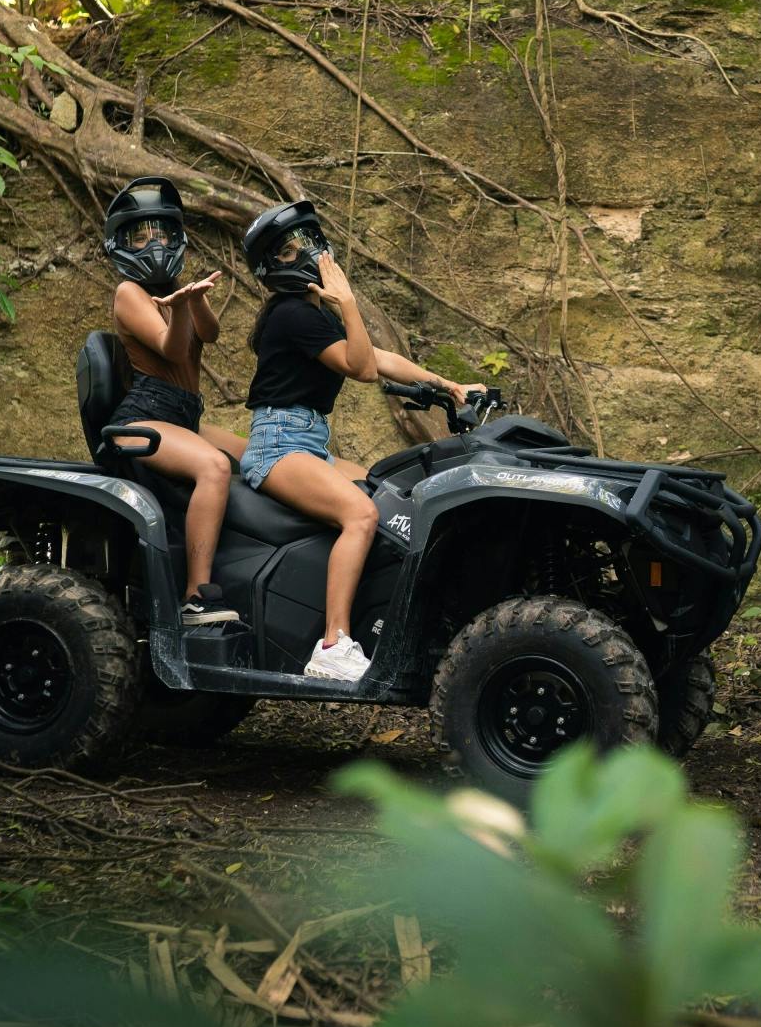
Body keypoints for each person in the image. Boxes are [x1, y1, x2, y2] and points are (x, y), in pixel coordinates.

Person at [238, 201, 483, 683]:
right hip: (278, 446)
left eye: (309, 241)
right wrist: (347, 301)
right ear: (273, 269)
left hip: (306, 441)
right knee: (361, 513)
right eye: (290, 250)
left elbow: (380, 355)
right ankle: (332, 645)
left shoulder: (313, 314)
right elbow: (363, 368)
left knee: (387, 492)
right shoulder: (291, 314)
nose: (308, 254)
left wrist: (447, 385)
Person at [103, 176, 247, 631]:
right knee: (215, 467)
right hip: (143, 417)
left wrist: (194, 299)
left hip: (183, 414)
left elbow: (210, 336)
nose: (154, 244)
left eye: (162, 234)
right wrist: (181, 306)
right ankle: (195, 598)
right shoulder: (130, 294)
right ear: (121, 244)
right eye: (141, 236)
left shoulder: (177, 291)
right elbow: (172, 349)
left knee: (258, 457)